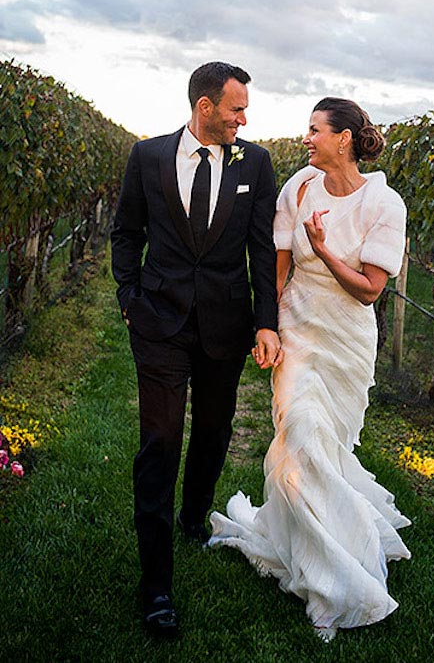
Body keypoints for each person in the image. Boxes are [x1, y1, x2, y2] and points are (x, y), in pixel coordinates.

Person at [209, 97, 411, 641]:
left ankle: (337, 547)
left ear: (342, 138)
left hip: (345, 340)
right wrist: (267, 326)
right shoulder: (298, 186)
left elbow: (369, 289)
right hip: (298, 327)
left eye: (315, 130)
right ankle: (329, 578)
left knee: (329, 448)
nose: (306, 138)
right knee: (298, 434)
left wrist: (324, 251)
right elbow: (278, 266)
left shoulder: (384, 204)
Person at [111, 61, 282, 637]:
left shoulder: (254, 163)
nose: (244, 118)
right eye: (236, 108)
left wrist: (266, 322)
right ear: (204, 107)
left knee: (213, 429)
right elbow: (126, 231)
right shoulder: (149, 157)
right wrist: (129, 297)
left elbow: (262, 248)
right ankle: (155, 585)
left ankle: (192, 517)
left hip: (225, 324)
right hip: (158, 320)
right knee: (159, 441)